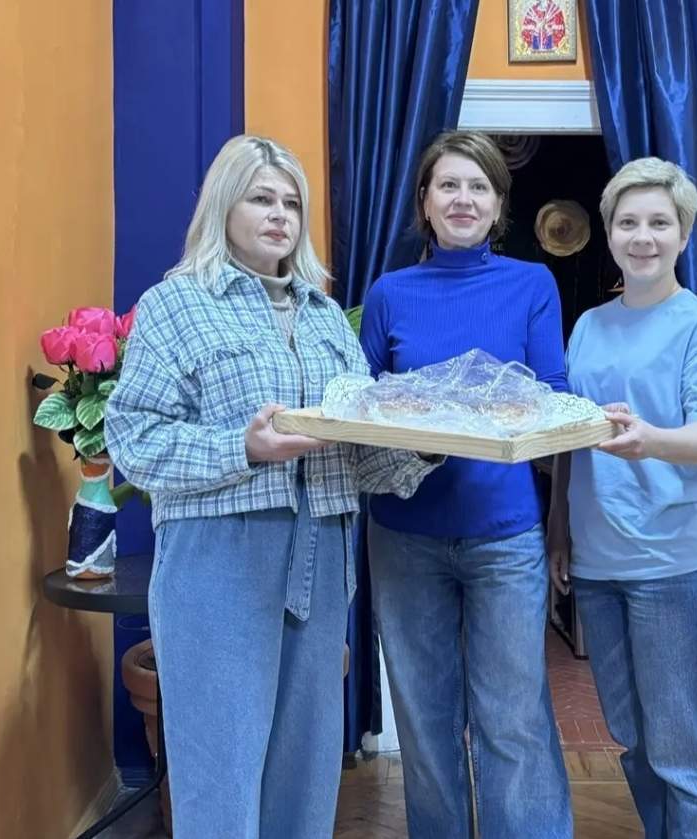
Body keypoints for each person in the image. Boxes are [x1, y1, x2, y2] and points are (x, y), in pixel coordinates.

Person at [104, 134, 440, 839]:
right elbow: (133, 442)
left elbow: (356, 458)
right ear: (224, 206)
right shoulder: (177, 305)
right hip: (218, 559)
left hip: (324, 557)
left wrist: (428, 444)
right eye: (262, 198)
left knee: (306, 770)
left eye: (292, 202)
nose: (280, 214)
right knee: (220, 769)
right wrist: (244, 448)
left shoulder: (326, 318)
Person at [359, 131, 573, 838]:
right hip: (403, 534)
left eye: (478, 186)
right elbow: (362, 406)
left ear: (498, 205)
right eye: (448, 185)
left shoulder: (531, 285)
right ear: (424, 201)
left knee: (512, 717)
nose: (463, 199)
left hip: (503, 535)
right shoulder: (389, 293)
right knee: (424, 718)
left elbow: (552, 396)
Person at [547, 156, 697, 839]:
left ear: (684, 234)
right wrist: (559, 528)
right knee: (634, 739)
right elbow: (571, 439)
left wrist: (650, 439)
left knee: (682, 752)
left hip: (681, 567)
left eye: (659, 223)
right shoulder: (587, 326)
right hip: (600, 566)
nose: (643, 237)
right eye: (628, 222)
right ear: (608, 233)